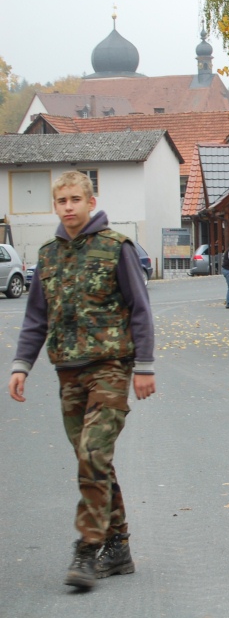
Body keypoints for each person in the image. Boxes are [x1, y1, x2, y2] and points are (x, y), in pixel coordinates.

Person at [8, 171, 156, 589]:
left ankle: (88, 548)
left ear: (91, 202)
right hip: (68, 371)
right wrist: (21, 365)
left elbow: (140, 308)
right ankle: (119, 546)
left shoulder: (116, 247)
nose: (69, 207)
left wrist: (144, 366)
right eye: (62, 201)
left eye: (76, 199)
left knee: (92, 453)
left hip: (110, 366)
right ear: (55, 206)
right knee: (94, 461)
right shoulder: (48, 255)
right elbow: (36, 317)